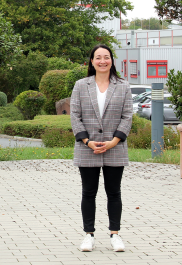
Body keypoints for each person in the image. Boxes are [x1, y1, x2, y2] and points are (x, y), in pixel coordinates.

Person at [70, 44, 133, 253]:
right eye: (98, 57)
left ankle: (115, 234)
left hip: (115, 148)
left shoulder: (123, 86)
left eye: (107, 57)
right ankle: (88, 235)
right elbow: (75, 116)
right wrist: (87, 141)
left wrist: (114, 141)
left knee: (114, 193)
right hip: (87, 148)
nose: (103, 61)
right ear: (92, 61)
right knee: (88, 193)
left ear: (112, 61)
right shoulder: (81, 85)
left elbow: (127, 116)